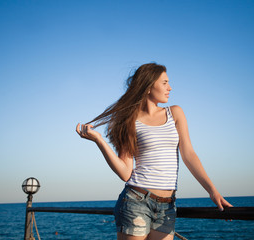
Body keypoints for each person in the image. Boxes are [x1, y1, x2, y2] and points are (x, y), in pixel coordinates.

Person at [76, 63, 232, 240]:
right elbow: (126, 173)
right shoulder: (129, 121)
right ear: (149, 86)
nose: (170, 87)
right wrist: (99, 141)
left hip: (168, 206)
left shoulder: (175, 113)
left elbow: (189, 154)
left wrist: (212, 191)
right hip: (136, 200)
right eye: (165, 82)